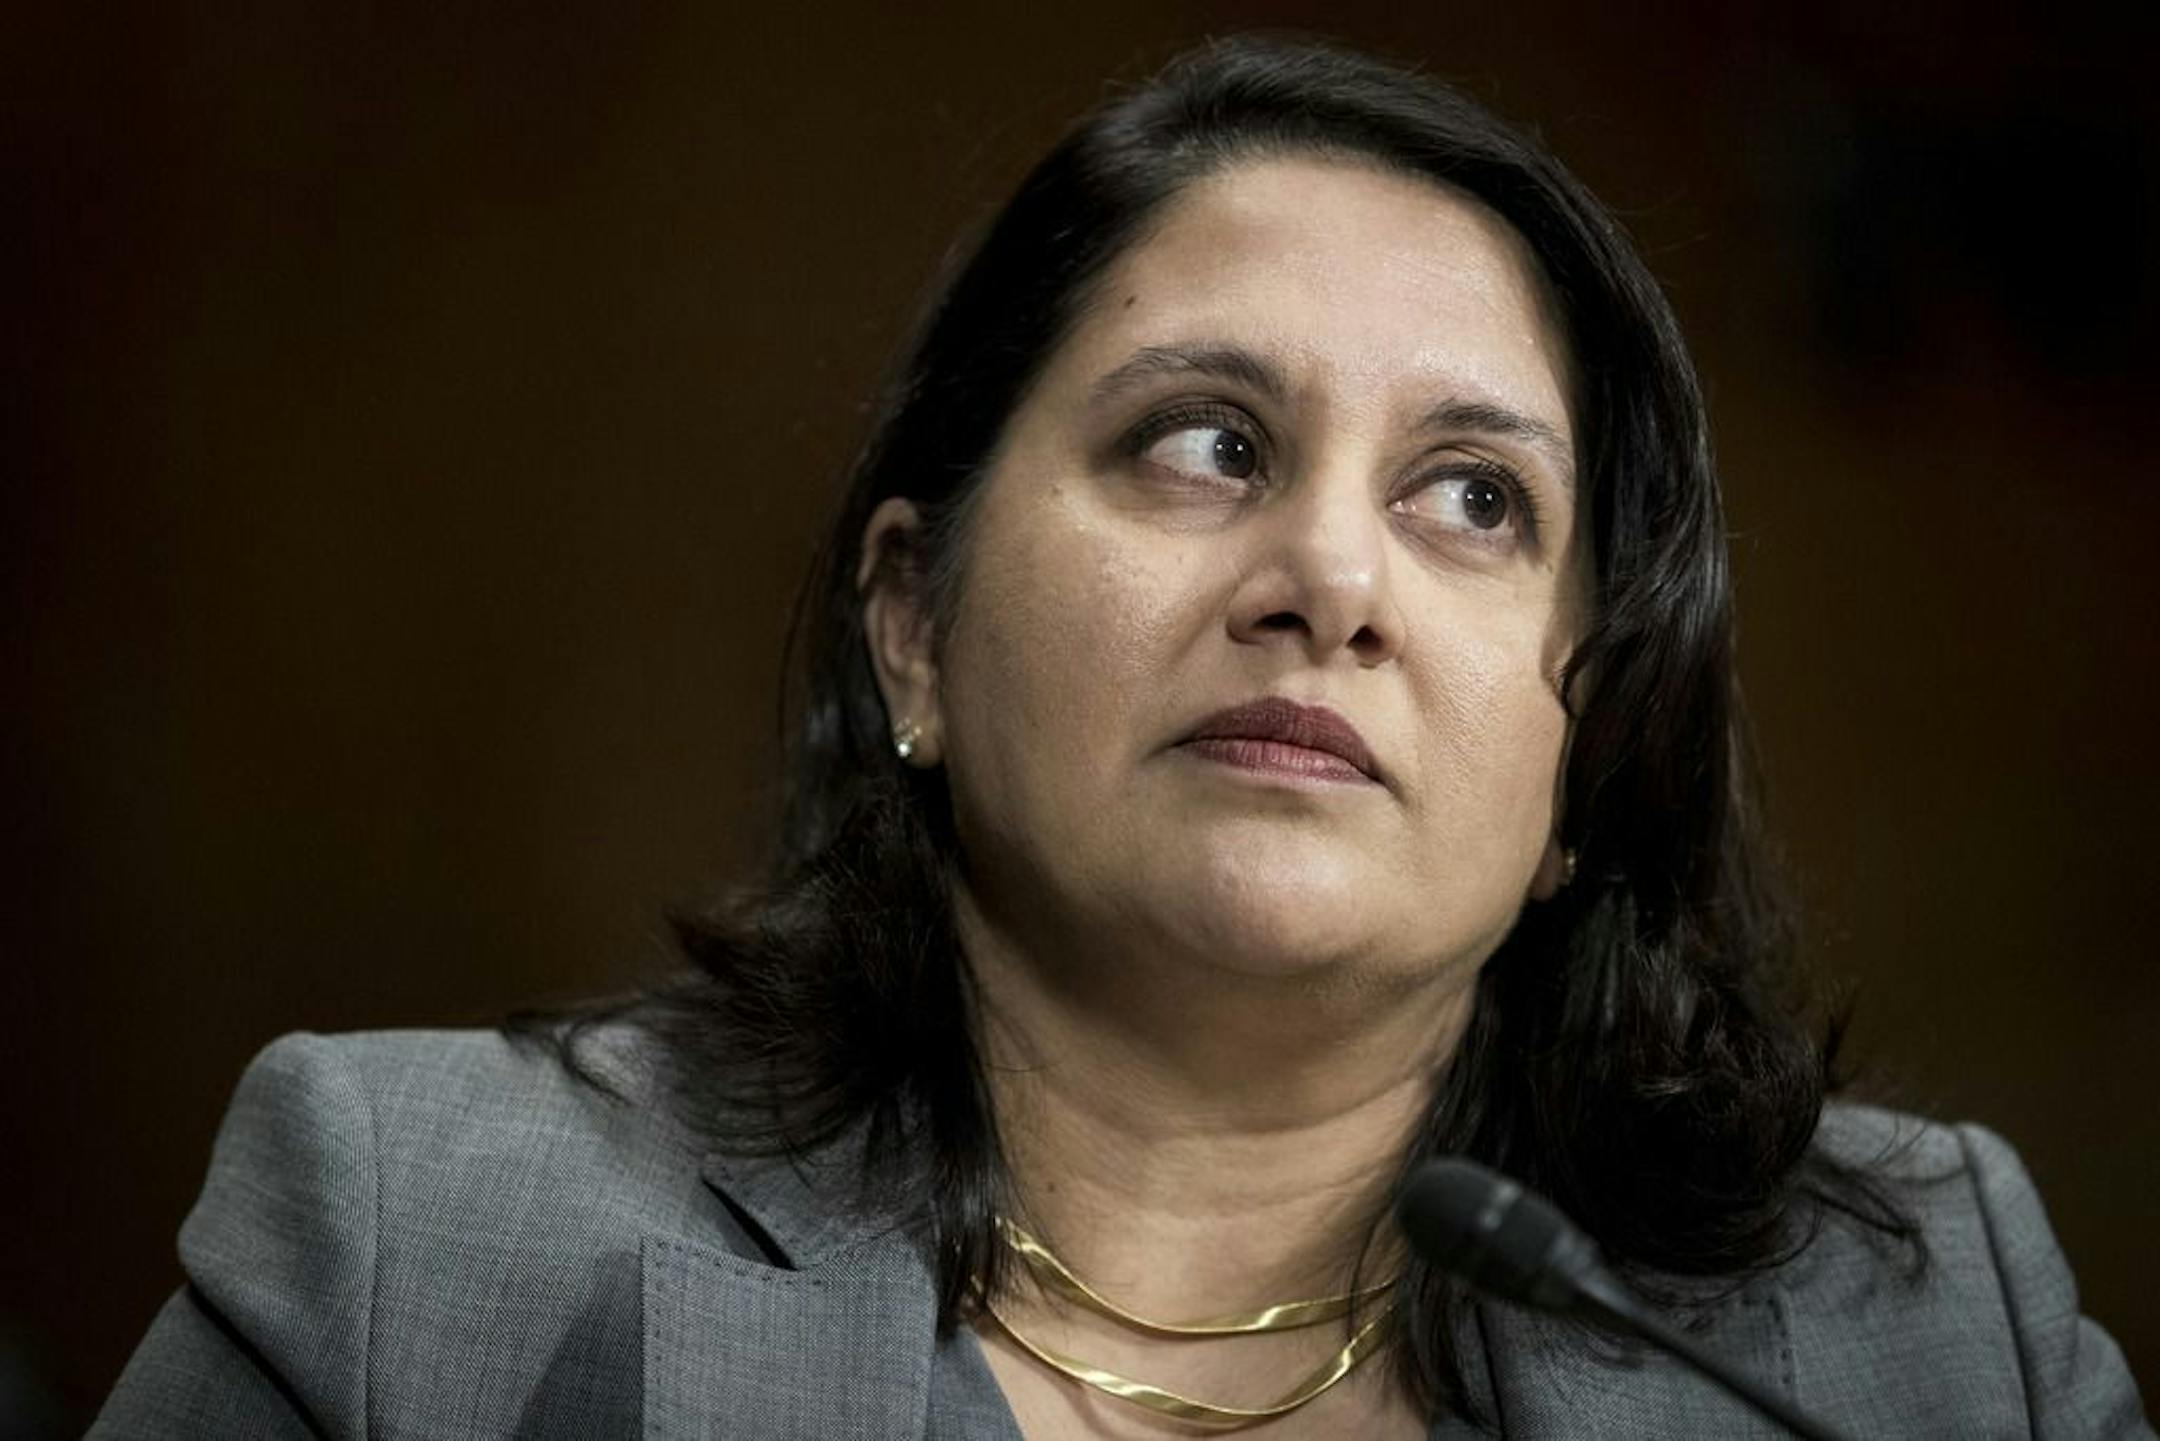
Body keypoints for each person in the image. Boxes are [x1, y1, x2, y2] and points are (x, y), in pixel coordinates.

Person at [95, 35, 2148, 1439]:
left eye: (1475, 499)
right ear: (912, 623)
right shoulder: (415, 1241)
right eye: (1205, 442)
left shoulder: (1919, 1320)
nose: (1328, 575)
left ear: (1585, 755)